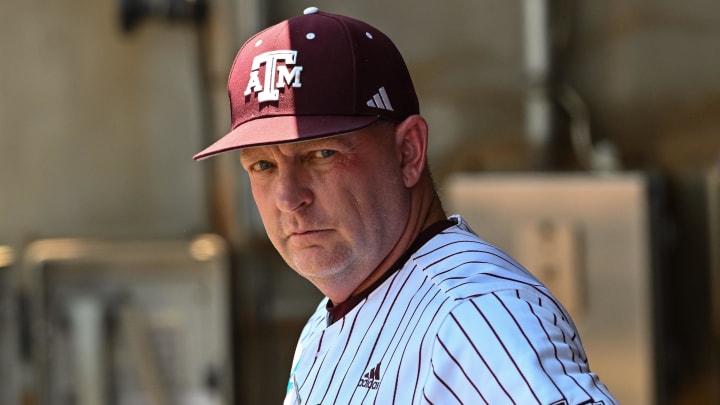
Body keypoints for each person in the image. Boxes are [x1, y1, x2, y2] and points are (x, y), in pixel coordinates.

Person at [194, 7, 617, 405]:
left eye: (321, 155)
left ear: (408, 153)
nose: (288, 196)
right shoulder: (327, 323)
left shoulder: (473, 315)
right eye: (263, 164)